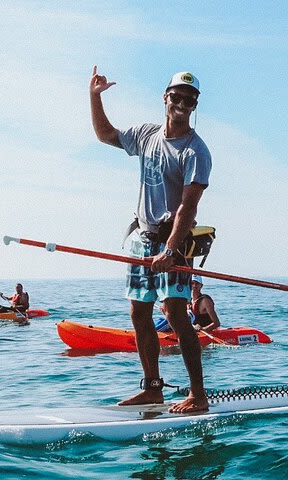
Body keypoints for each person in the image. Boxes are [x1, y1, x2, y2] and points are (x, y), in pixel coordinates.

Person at [90, 66, 212, 413]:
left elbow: (188, 207)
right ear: (165, 97)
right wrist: (94, 97)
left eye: (190, 100)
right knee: (139, 313)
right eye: (177, 97)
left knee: (175, 312)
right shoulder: (146, 135)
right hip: (141, 237)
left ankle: (198, 395)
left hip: (174, 239)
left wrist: (172, 250)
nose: (183, 104)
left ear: (194, 105)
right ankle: (153, 388)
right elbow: (105, 134)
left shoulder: (195, 152)